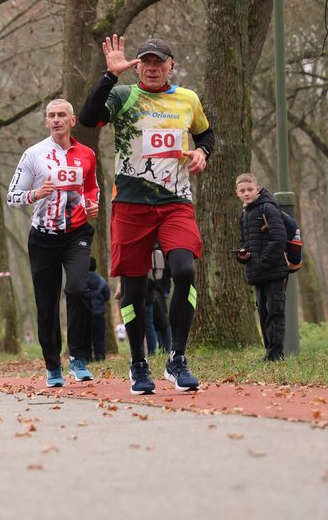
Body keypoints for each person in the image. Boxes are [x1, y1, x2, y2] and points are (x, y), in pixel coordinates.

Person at [80, 35, 214, 394]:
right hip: (131, 204)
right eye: (146, 63)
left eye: (159, 62)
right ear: (137, 67)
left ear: (171, 65)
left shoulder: (188, 99)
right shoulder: (124, 97)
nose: (153, 68)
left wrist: (202, 153)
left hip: (176, 201)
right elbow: (88, 118)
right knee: (135, 288)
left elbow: (206, 134)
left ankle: (177, 358)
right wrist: (109, 76)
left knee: (184, 270)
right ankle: (139, 364)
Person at [6, 98, 100, 388]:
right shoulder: (34, 154)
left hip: (76, 232)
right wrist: (36, 193)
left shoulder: (87, 154)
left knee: (78, 288)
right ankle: (52, 366)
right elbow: (12, 197)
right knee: (46, 304)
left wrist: (92, 203)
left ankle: (79, 358)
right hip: (43, 236)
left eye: (62, 115)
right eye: (51, 115)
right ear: (46, 121)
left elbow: (92, 187)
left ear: (72, 121)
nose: (56, 119)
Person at [235, 173, 289, 362]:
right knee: (264, 312)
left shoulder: (268, 208)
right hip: (257, 273)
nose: (247, 193)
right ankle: (269, 353)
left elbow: (279, 239)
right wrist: (244, 256)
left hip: (273, 271)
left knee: (275, 311)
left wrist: (262, 261)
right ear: (237, 193)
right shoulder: (244, 213)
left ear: (257, 189)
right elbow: (246, 241)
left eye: (250, 189)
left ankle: (276, 354)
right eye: (243, 191)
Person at [145, 245, 172, 355]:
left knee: (158, 320)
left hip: (156, 289)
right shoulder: (162, 247)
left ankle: (163, 348)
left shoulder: (157, 250)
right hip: (159, 289)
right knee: (160, 319)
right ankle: (163, 348)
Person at [88, 258, 111, 362]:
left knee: (86, 337)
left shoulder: (81, 279)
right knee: (99, 337)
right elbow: (107, 295)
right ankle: (100, 357)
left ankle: (87, 357)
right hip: (99, 313)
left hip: (86, 314)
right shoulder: (101, 280)